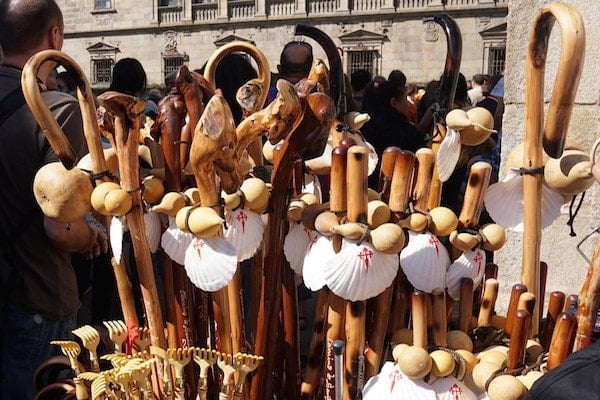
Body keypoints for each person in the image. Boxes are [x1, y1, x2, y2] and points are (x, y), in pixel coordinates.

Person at [0, 1, 108, 399]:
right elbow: (60, 228)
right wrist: (90, 237)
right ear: (55, 37)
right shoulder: (60, 109)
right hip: (36, 295)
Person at [360, 77, 426, 189]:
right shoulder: (408, 132)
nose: (407, 104)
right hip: (400, 193)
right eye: (404, 99)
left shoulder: (359, 130)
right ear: (394, 103)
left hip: (363, 193)